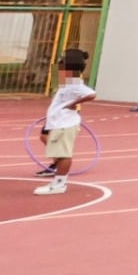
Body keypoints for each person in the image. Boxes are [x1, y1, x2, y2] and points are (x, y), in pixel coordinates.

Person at [33, 49, 96, 195]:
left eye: (63, 61)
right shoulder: (67, 81)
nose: (60, 63)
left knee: (63, 154)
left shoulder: (74, 83)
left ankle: (59, 184)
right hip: (58, 122)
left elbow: (91, 94)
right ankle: (58, 180)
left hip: (64, 122)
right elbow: (56, 72)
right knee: (58, 150)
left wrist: (74, 103)